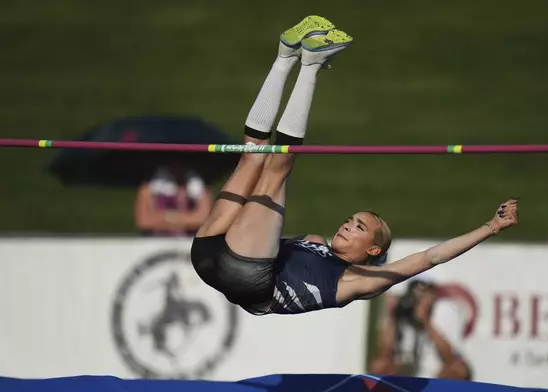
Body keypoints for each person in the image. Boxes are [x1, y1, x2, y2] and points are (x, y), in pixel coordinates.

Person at [190, 15, 520, 316]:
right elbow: (262, 234)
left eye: (359, 228)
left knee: (275, 170)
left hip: (246, 277)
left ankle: (310, 66)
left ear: (373, 249)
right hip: (208, 253)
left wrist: (491, 226)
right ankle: (286, 55)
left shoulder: (358, 281)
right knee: (252, 156)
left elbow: (430, 257)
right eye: (351, 220)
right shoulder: (315, 241)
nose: (347, 226)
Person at [370, 280, 472, 380]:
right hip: (411, 372)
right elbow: (385, 352)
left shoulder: (445, 310)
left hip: (437, 370)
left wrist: (425, 320)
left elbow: (451, 357)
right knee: (380, 366)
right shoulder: (404, 311)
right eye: (415, 290)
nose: (418, 296)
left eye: (424, 290)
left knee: (458, 370)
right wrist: (390, 313)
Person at [135, 165, 213, 236]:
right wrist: (188, 219)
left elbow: (204, 220)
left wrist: (166, 217)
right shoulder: (148, 188)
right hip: (157, 243)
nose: (176, 164)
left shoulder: (200, 187)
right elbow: (144, 221)